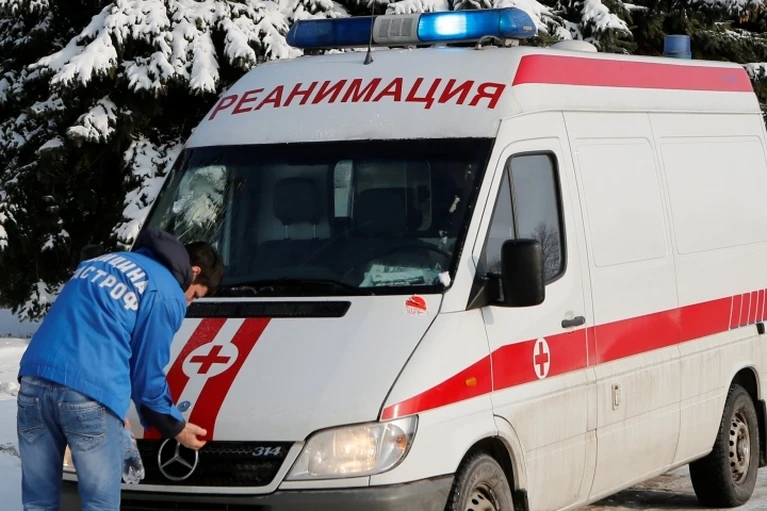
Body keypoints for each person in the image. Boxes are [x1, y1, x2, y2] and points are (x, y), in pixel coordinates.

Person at [16, 228, 224, 511]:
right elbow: (147, 372)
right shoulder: (167, 292)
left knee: (38, 501)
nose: (189, 303)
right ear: (194, 272)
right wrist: (175, 427)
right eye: (195, 295)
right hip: (89, 394)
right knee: (100, 504)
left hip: (33, 382)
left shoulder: (105, 262)